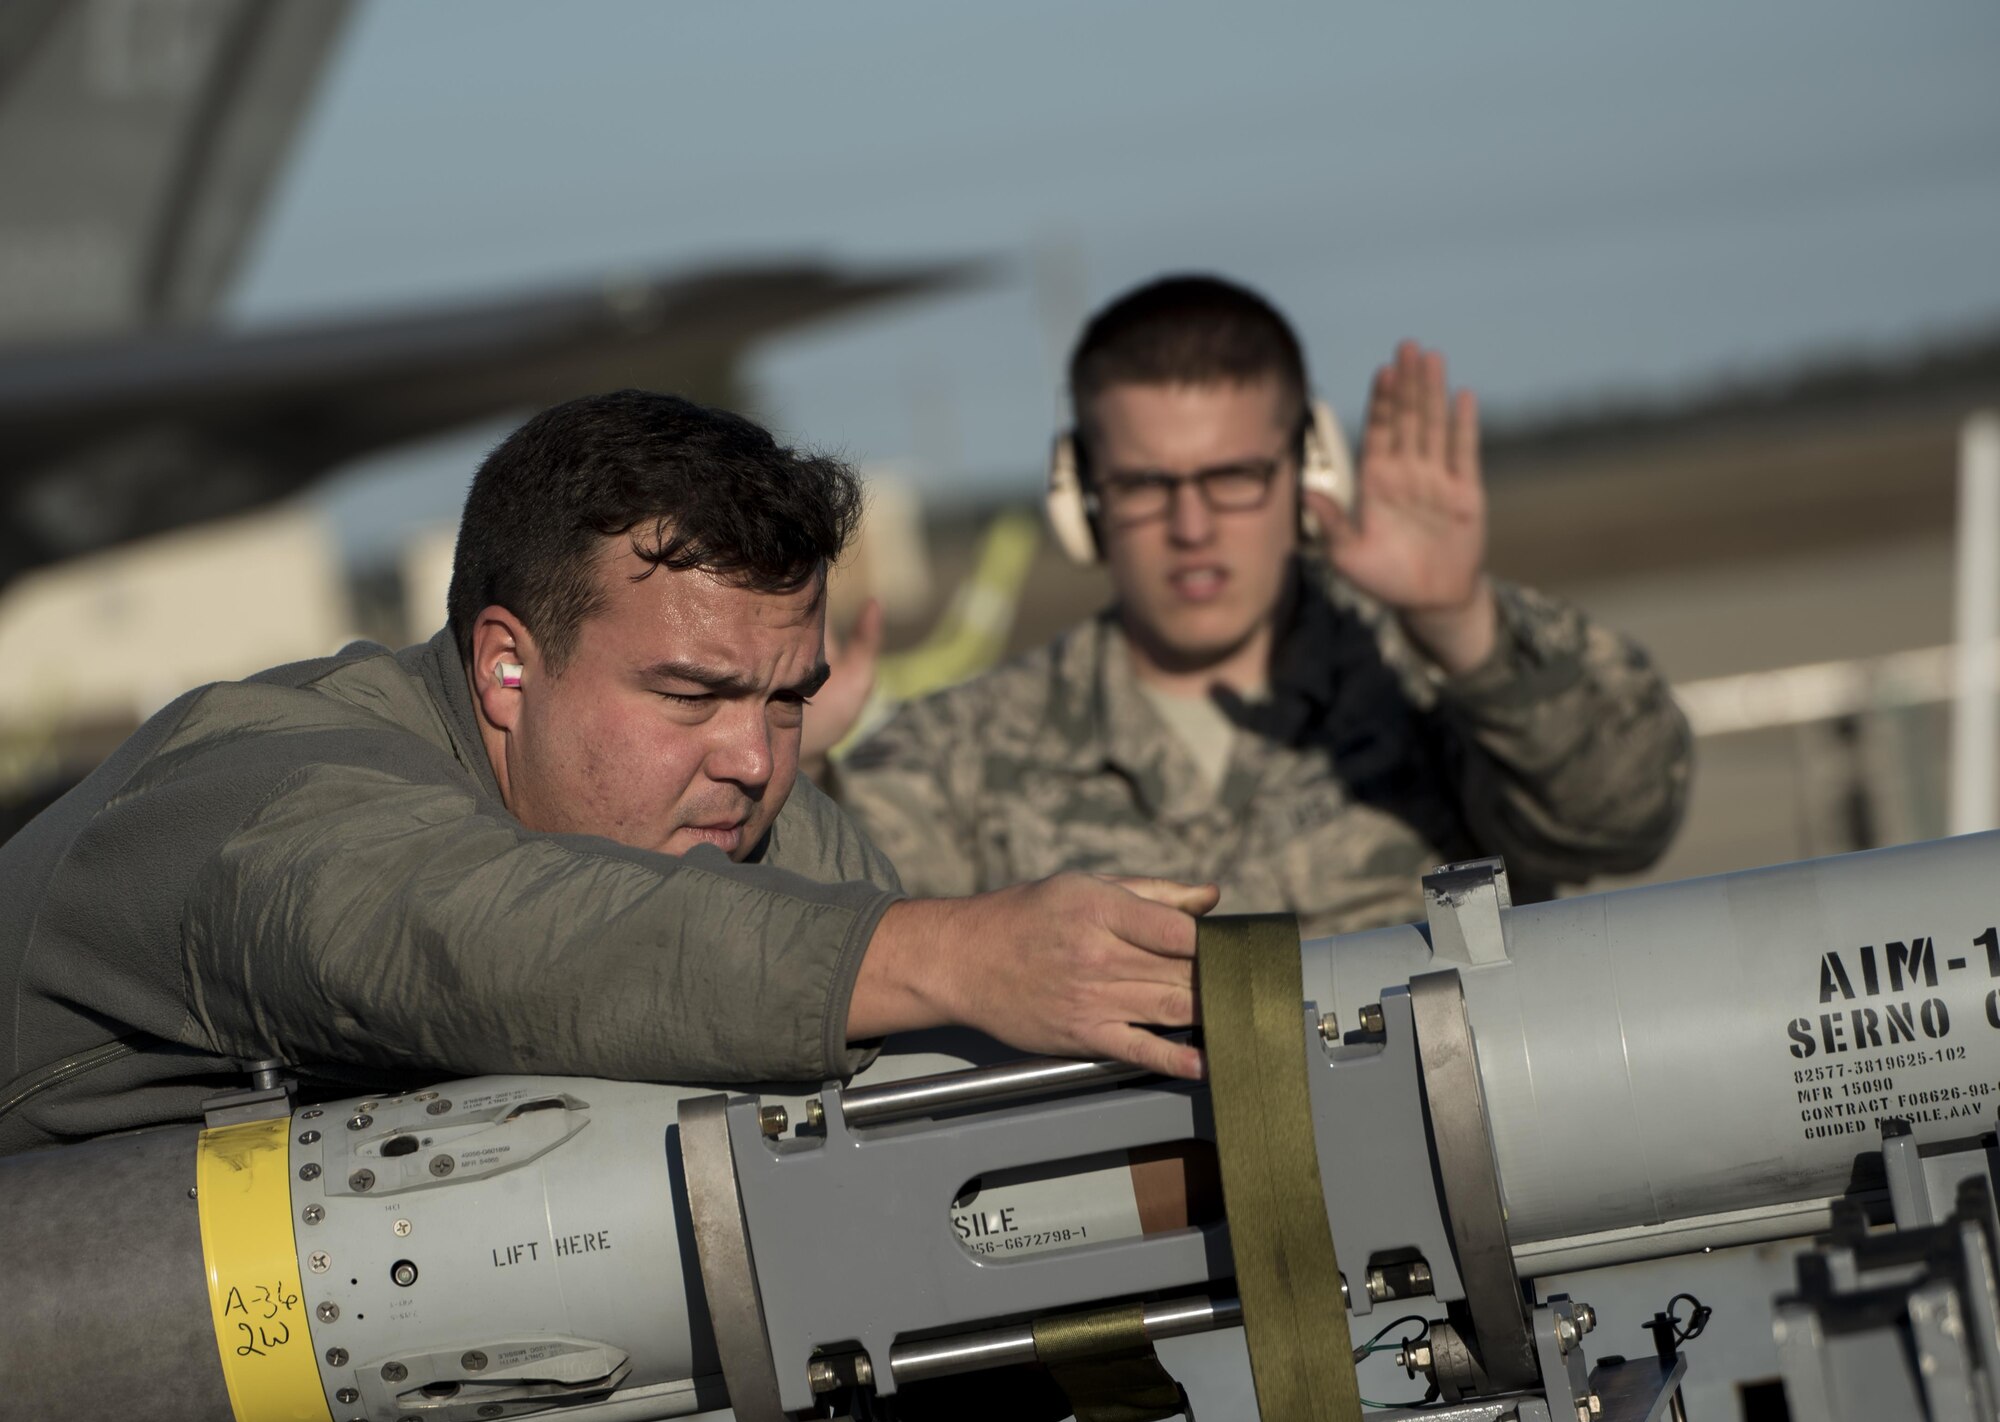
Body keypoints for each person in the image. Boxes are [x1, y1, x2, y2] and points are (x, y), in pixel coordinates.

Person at [0, 390, 1212, 1157]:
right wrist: (957, 951)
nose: (750, 759)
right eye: (689, 695)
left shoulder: (750, 830)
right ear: (506, 671)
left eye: (785, 698)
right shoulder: (271, 805)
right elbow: (477, 941)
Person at [814, 277, 1690, 931]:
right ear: (1081, 497)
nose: (1191, 525)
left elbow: (1626, 819)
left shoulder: (1426, 690)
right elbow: (829, 940)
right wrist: (785, 766)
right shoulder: (966, 754)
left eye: (1232, 476)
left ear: (1309, 472)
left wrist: (1459, 624)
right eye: (1146, 484)